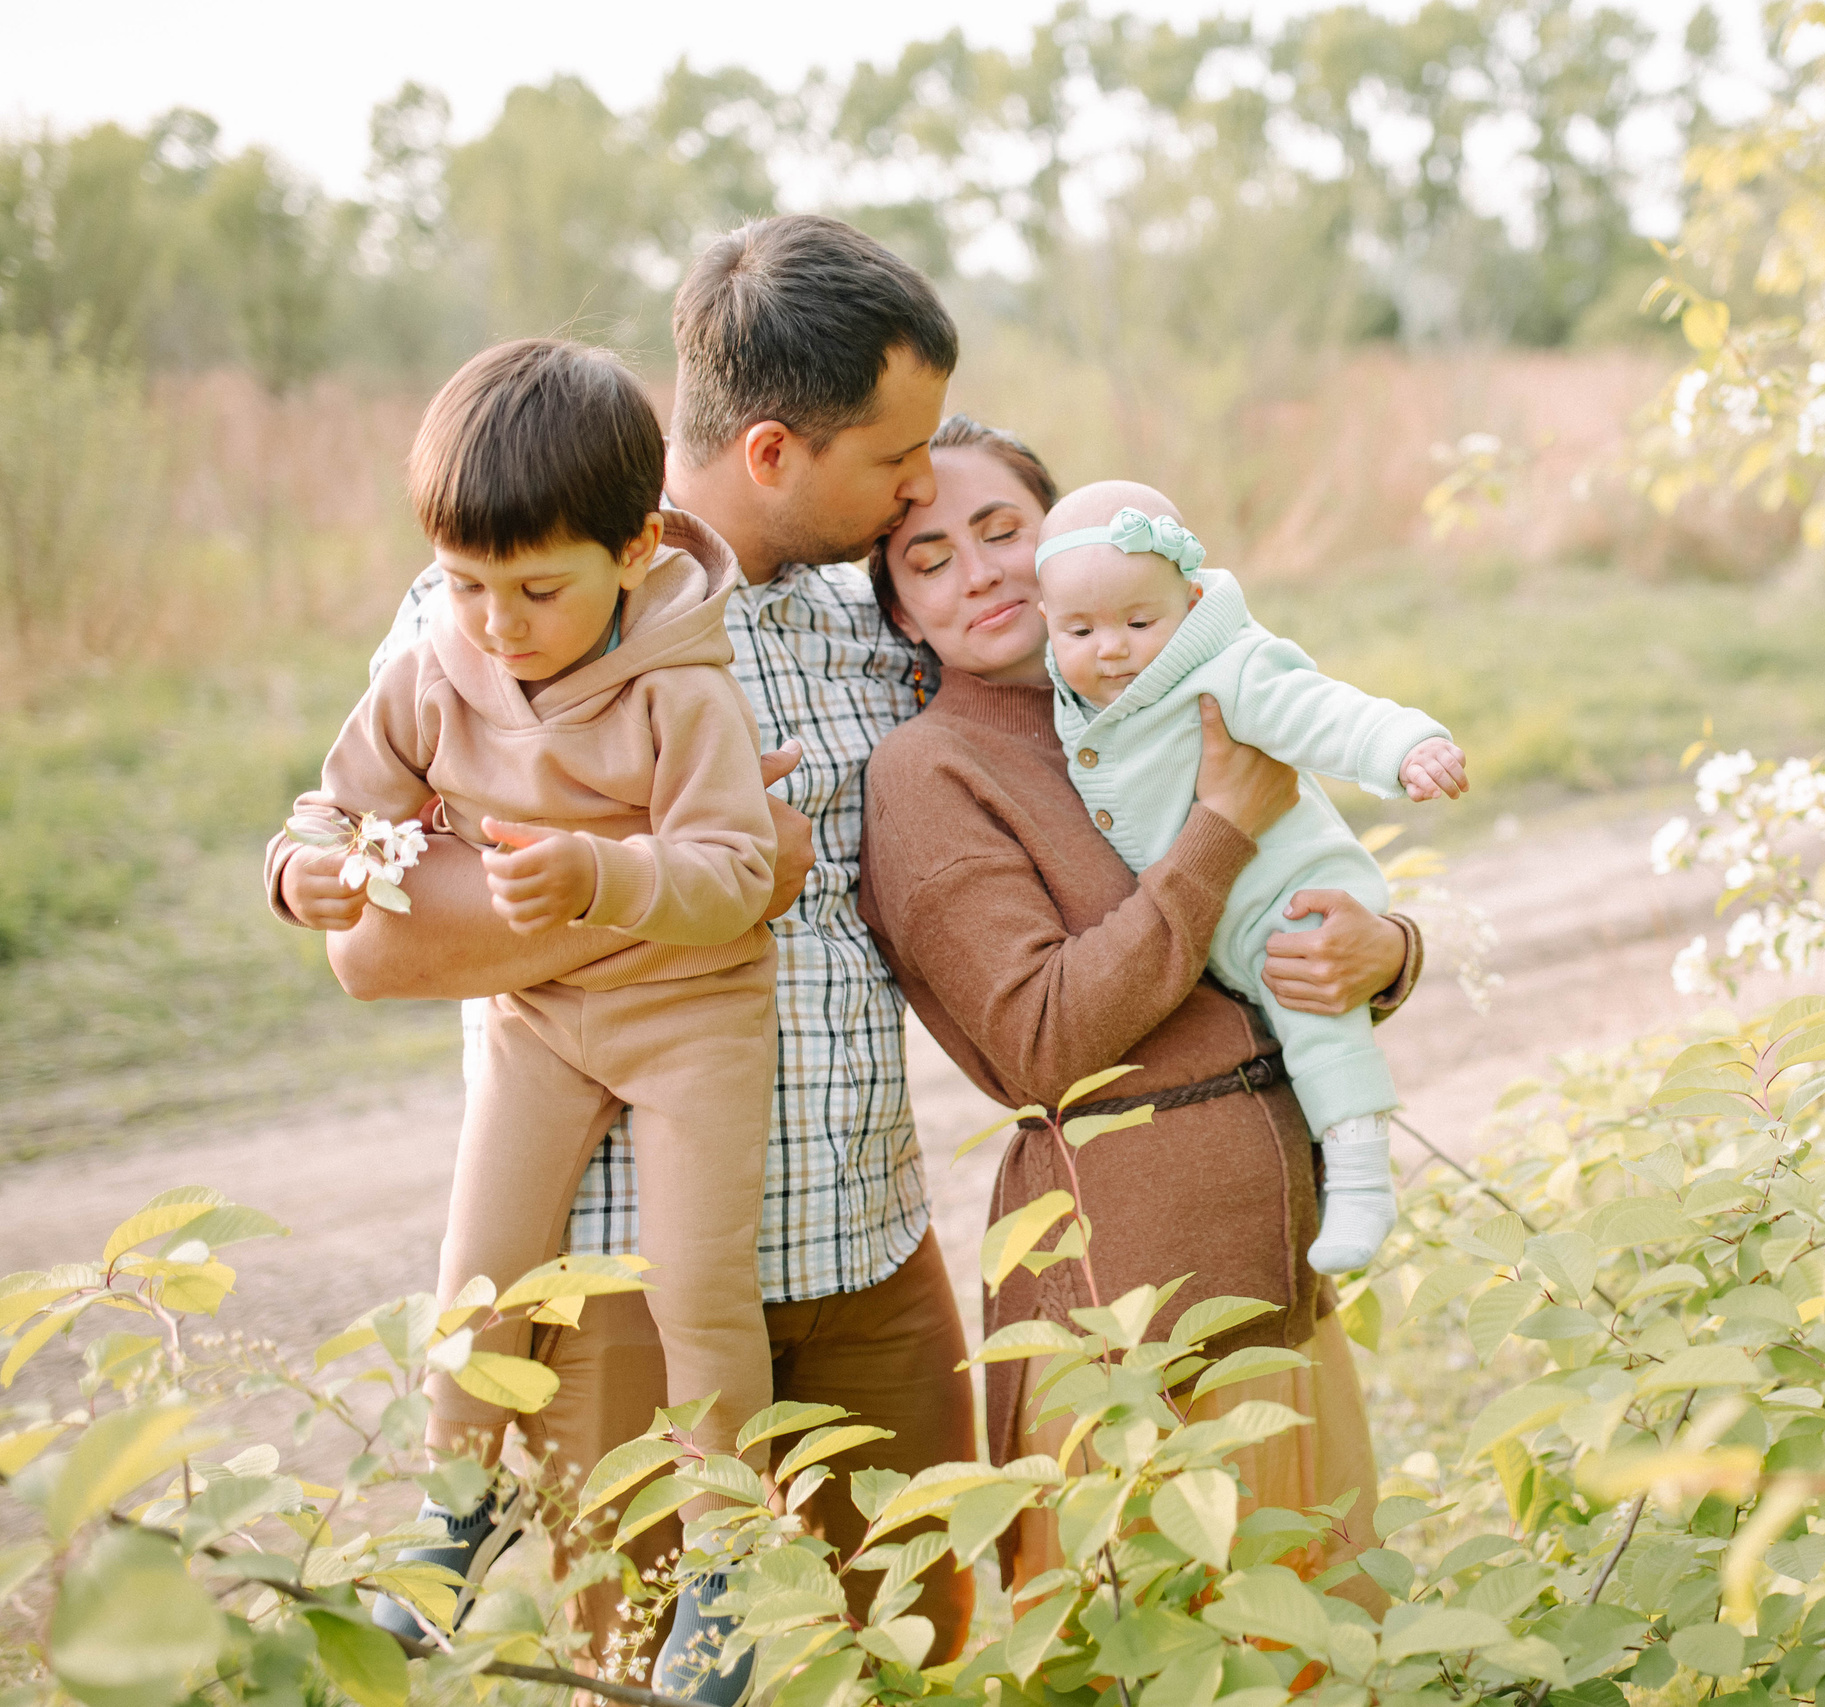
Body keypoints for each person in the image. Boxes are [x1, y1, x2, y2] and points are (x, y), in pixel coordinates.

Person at [274, 215, 973, 1686]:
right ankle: (453, 1518)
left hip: (865, 1242)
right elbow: (375, 944)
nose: (923, 481)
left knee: (908, 1648)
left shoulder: (877, 615)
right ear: (773, 450)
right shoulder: (501, 599)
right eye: (895, 454)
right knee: (653, 1665)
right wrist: (691, 877)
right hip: (616, 1285)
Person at [269, 337, 783, 1678]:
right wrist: (303, 867)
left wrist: (601, 872)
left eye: (537, 589)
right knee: (477, 1276)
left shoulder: (683, 687)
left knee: (699, 1291)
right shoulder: (434, 666)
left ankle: (727, 1560)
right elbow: (338, 801)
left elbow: (740, 872)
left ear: (635, 548)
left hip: (692, 1016)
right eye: (464, 583)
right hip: (539, 1016)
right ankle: (454, 1511)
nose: (497, 622)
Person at [856, 418, 1419, 1596]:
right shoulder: (931, 771)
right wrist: (1220, 827)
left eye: (1003, 532)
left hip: (1275, 1261)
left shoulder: (1177, 694)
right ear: (903, 615)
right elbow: (1039, 1037)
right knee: (1170, 1633)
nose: (980, 573)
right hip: (1123, 1297)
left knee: (1330, 1628)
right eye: (929, 559)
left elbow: (1291, 896)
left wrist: (1384, 952)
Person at [1034, 479, 1468, 1273]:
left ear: (1193, 601)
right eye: (1081, 630)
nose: (1113, 649)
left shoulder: (1228, 668)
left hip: (1286, 898)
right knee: (1279, 1050)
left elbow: (1320, 709)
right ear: (1047, 623)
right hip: (1211, 926)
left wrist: (1404, 745)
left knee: (1313, 1009)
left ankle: (1364, 1177)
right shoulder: (1071, 693)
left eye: (1139, 622)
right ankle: (1322, 1170)